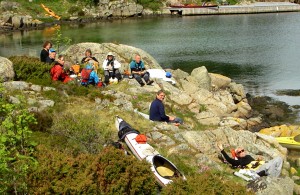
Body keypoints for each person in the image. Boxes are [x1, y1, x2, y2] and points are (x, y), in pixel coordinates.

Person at [217, 143, 283, 178]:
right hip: (258, 170)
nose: (242, 152)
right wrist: (222, 150)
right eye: (239, 152)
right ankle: (272, 176)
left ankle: (275, 176)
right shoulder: (240, 161)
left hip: (261, 165)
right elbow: (229, 160)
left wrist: (258, 160)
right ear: (237, 155)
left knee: (279, 158)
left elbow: (254, 163)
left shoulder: (248, 156)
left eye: (242, 150)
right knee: (269, 165)